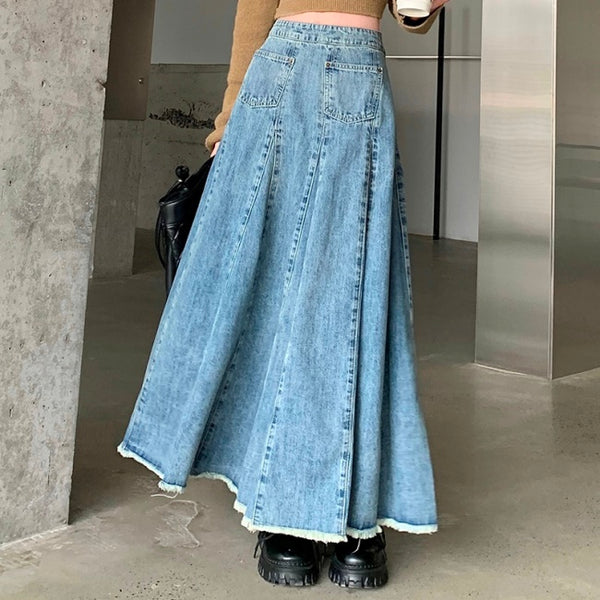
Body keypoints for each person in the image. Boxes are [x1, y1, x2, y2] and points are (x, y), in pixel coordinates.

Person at [118, 0, 450, 590]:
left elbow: (411, 11)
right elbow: (254, 12)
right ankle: (283, 508)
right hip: (279, 78)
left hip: (358, 77)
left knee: (351, 296)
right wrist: (227, 126)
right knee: (273, 290)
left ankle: (354, 510)